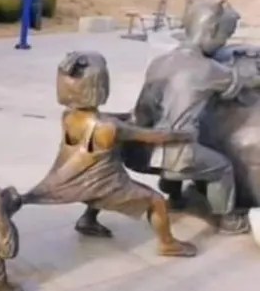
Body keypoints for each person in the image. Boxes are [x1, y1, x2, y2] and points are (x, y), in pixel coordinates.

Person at [23, 51, 197, 257]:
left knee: (98, 186)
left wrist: (130, 115)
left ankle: (88, 220)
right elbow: (152, 136)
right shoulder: (108, 127)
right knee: (156, 200)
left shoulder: (69, 116)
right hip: (105, 185)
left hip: (86, 181)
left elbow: (109, 120)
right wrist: (182, 135)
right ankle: (168, 243)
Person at [131, 0, 259, 234]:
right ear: (211, 30)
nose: (225, 42)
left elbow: (144, 109)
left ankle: (174, 192)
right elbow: (244, 80)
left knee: (182, 142)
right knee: (222, 168)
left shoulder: (160, 63)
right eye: (226, 35)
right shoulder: (207, 69)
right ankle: (228, 220)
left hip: (149, 148)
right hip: (181, 153)